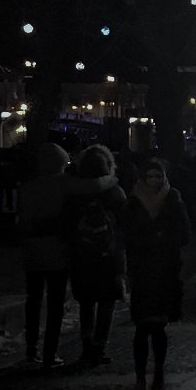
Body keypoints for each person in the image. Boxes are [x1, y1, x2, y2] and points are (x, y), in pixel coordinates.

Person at [17, 143, 119, 372]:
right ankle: (50, 352)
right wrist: (113, 176)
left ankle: (31, 349)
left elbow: (22, 222)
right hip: (57, 249)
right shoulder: (64, 184)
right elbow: (96, 185)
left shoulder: (27, 187)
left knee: (32, 301)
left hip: (32, 250)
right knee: (55, 304)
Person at [124, 158, 191, 390]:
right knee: (142, 328)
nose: (154, 181)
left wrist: (162, 239)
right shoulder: (133, 201)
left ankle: (159, 374)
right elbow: (127, 234)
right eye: (149, 176)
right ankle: (141, 377)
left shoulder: (173, 198)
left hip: (165, 272)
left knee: (158, 326)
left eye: (157, 176)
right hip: (142, 272)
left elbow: (184, 233)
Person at [67, 144, 128, 367]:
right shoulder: (114, 192)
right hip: (108, 256)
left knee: (86, 303)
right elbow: (124, 225)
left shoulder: (74, 193)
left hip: (82, 255)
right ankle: (100, 346)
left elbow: (66, 225)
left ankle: (86, 346)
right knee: (106, 302)